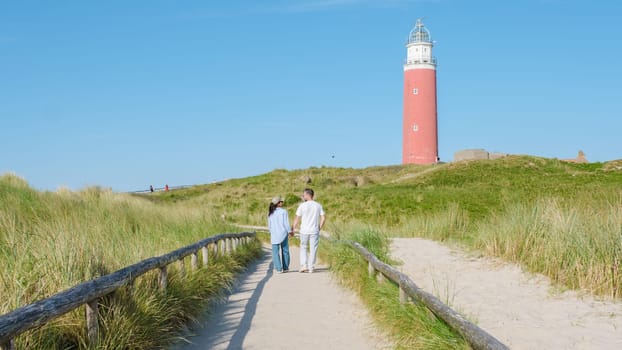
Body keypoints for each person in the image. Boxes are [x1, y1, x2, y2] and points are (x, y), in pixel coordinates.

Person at [292, 188, 325, 273]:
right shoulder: (318, 205)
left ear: (307, 195)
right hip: (314, 230)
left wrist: (293, 229)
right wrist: (319, 228)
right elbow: (323, 218)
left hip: (304, 231)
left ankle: (304, 265)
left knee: (303, 247)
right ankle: (311, 267)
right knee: (313, 248)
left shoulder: (302, 205)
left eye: (304, 195)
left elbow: (297, 219)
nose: (303, 196)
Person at [268, 196, 293, 273]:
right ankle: (285, 268)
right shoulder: (283, 211)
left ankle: (279, 269)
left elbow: (269, 225)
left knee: (275, 252)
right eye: (281, 201)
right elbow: (286, 223)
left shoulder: (270, 213)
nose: (282, 202)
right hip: (283, 234)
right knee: (285, 250)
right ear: (278, 203)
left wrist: (271, 232)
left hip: (274, 234)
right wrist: (290, 231)